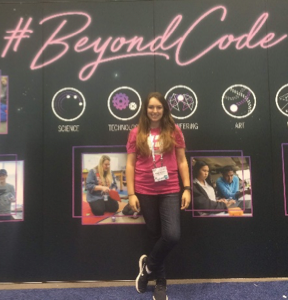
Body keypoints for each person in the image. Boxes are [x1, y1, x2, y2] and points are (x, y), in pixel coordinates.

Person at [126, 92, 191, 300]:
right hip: (144, 190)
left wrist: (187, 188)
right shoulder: (136, 132)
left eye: (159, 107)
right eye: (151, 107)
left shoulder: (174, 130)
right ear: (145, 109)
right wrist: (131, 194)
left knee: (172, 235)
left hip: (170, 189)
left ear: (164, 109)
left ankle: (147, 269)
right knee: (155, 236)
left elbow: (182, 161)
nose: (155, 111)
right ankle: (160, 282)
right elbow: (130, 164)